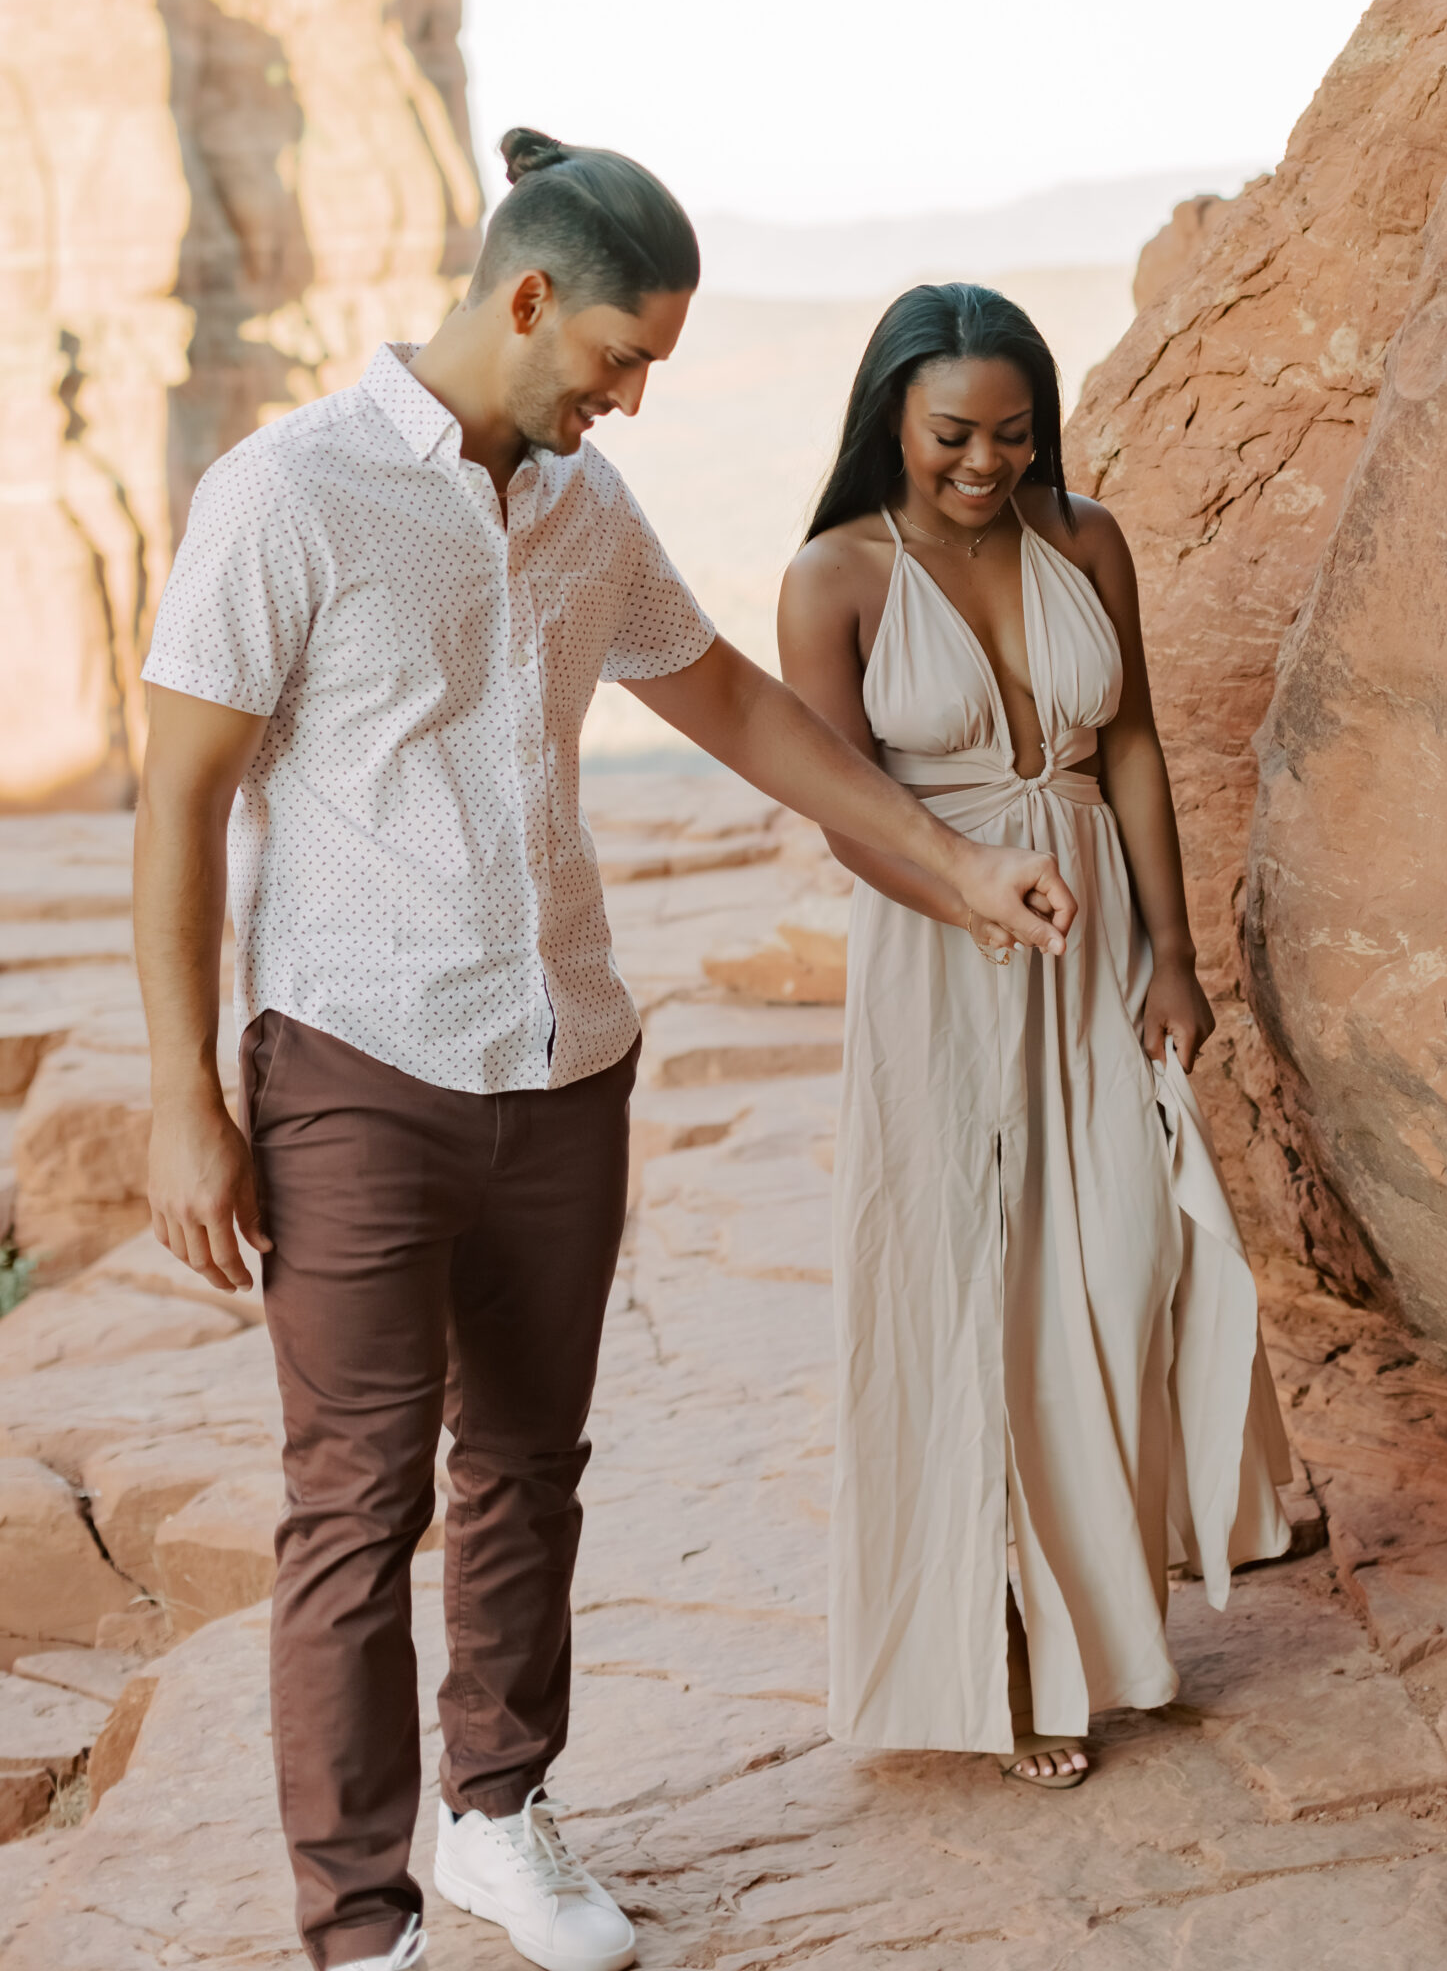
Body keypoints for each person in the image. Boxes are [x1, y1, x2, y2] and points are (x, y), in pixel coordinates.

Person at [134, 141, 1077, 1971]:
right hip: (354, 1064)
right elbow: (178, 804)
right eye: (620, 358)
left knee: (531, 1465)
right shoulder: (289, 496)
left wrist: (951, 864)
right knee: (356, 1500)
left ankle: (499, 1821)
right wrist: (186, 1095)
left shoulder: (584, 505)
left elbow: (721, 697)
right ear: (526, 299)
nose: (633, 397)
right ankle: (358, 1926)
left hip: (567, 1058)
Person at [777, 282, 1293, 1788]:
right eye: (953, 434)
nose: (985, 464)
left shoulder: (1085, 538)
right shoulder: (836, 578)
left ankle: (1102, 1617)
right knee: (969, 1292)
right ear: (891, 416)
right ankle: (991, 1644)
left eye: (1014, 432)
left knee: (1123, 1264)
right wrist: (966, 895)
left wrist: (1175, 957)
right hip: (941, 961)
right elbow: (838, 801)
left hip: (1096, 949)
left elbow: (1125, 739)